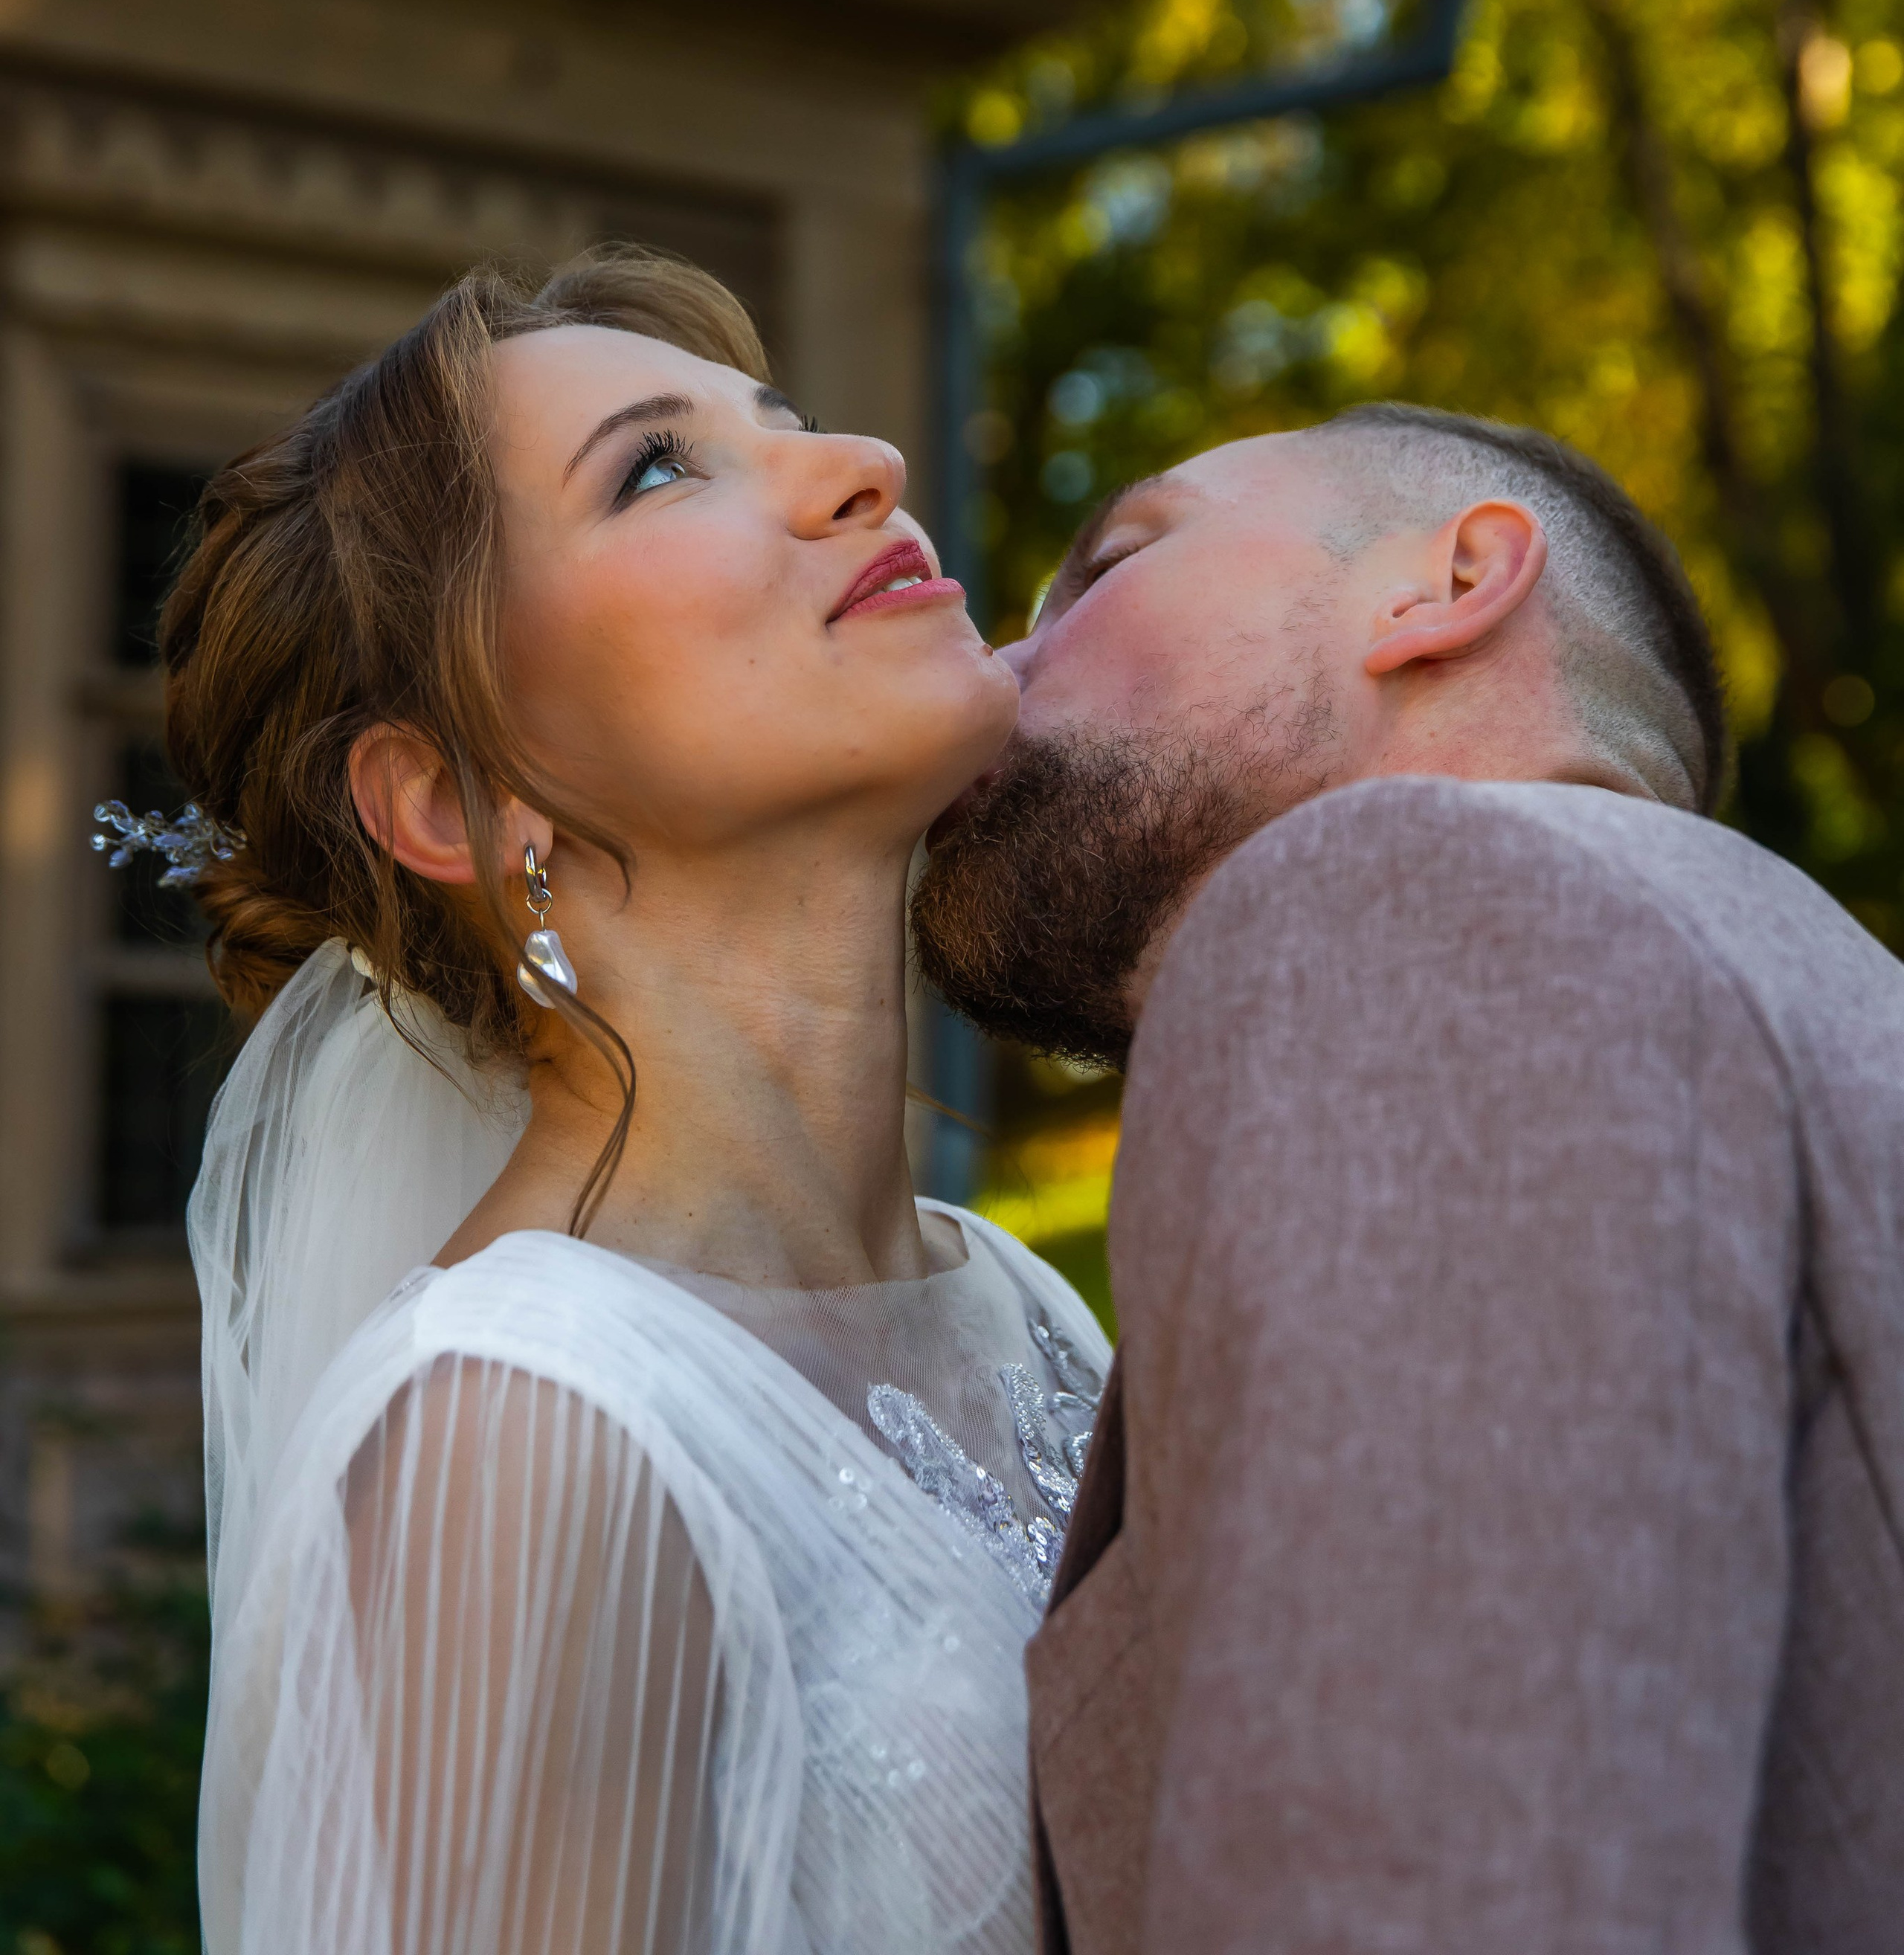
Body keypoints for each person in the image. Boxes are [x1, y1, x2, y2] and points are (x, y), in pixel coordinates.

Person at [121, 244, 1109, 1955]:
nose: (863, 464)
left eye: (783, 419)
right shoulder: (522, 1429)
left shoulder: (1016, 1306)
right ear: (452, 801)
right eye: (655, 469)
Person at [914, 403, 1904, 1955]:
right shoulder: (1783, 994)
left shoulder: (1419, 918)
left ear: (1448, 586)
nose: (996, 670)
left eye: (1107, 566)